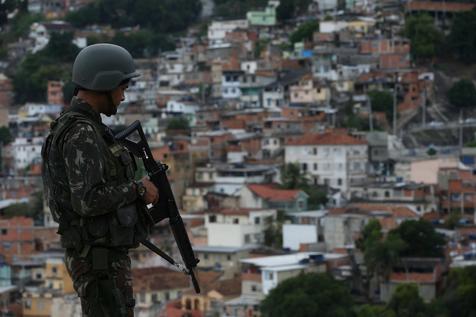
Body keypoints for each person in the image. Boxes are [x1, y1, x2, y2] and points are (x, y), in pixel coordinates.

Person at [41, 43, 159, 317]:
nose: (123, 96)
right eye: (122, 88)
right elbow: (88, 201)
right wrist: (138, 189)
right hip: (98, 259)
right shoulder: (82, 133)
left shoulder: (83, 127)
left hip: (100, 255)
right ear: (104, 83)